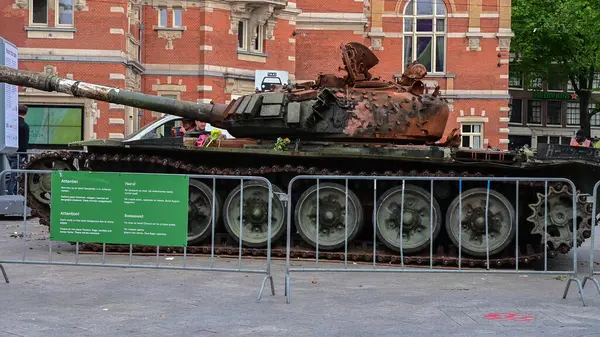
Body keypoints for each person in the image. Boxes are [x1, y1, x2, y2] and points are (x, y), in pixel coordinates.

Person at [7, 104, 30, 195]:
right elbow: (24, 143)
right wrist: (24, 156)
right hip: (19, 154)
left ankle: (11, 193)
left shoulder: (11, 124)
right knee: (16, 176)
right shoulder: (24, 126)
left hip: (9, 152)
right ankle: (12, 194)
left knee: (13, 174)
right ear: (26, 113)